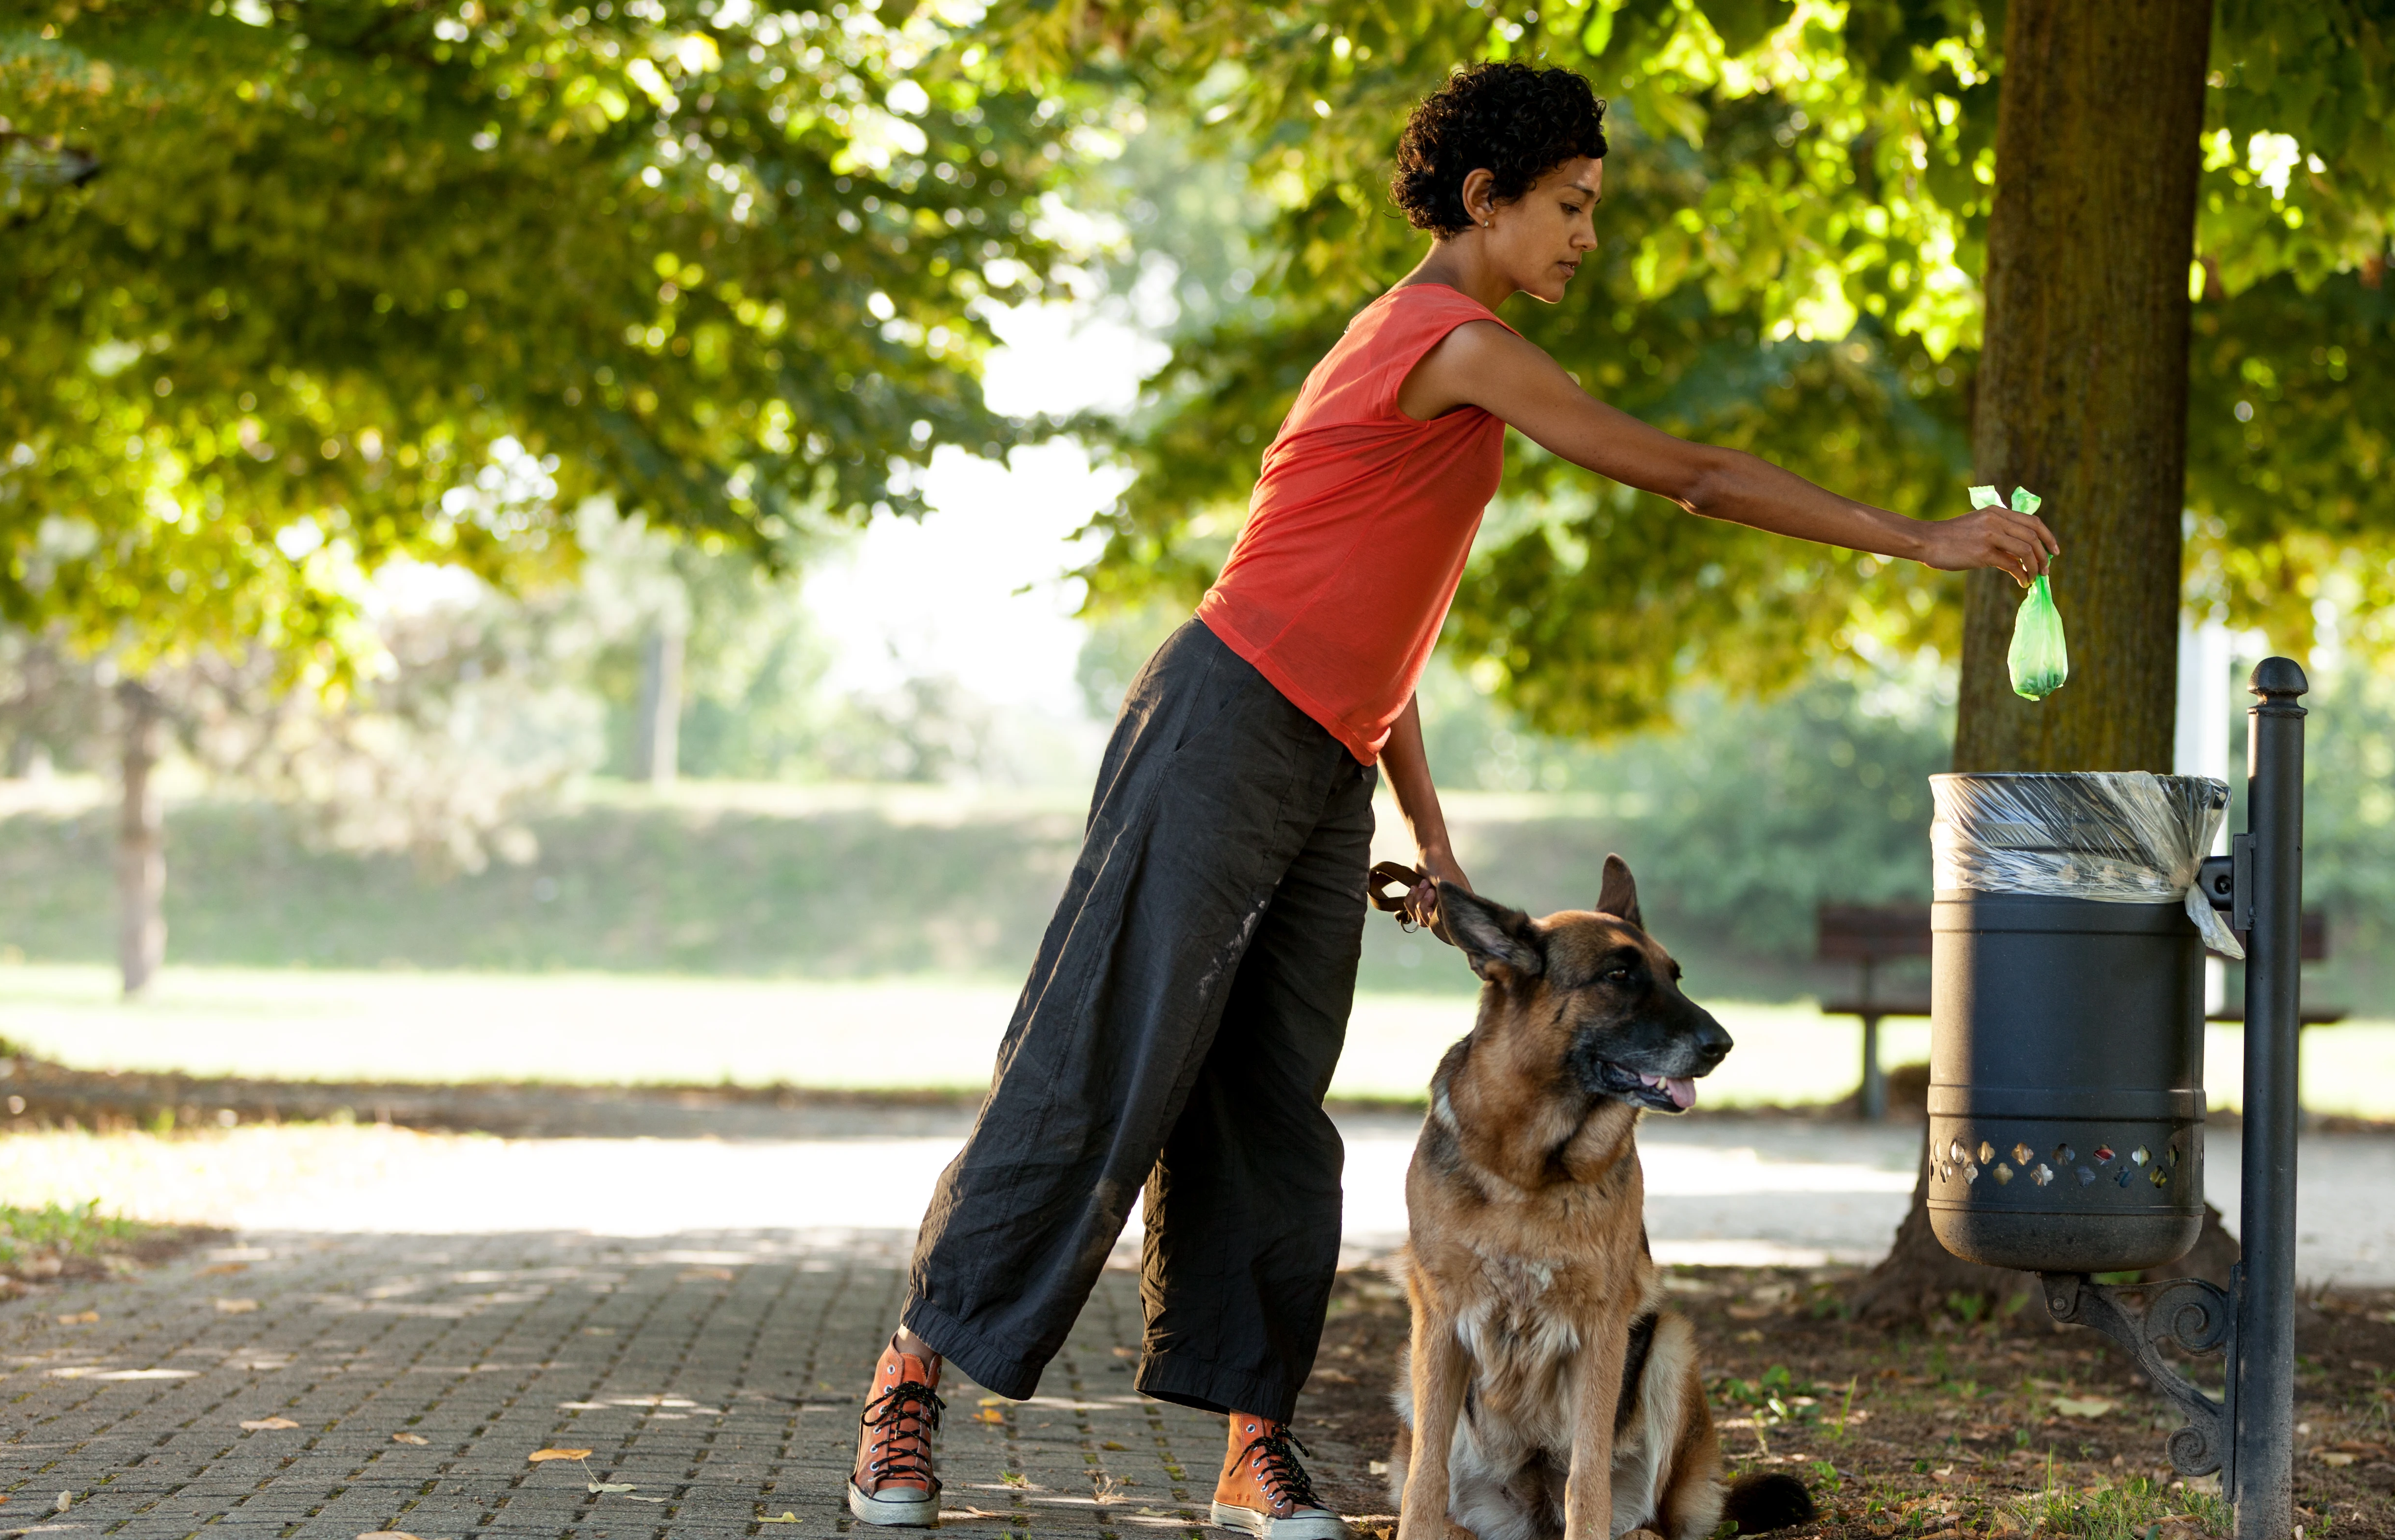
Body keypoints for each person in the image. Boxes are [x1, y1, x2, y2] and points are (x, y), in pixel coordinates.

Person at [848, 60, 2057, 1539]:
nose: (1586, 238)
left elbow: (1389, 633)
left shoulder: (1461, 380)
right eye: (1568, 206)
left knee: (1275, 1102)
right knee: (1101, 1056)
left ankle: (1250, 1439)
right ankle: (909, 1381)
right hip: (1220, 720)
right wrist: (1925, 539)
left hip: (1323, 760)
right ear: (1483, 202)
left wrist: (1425, 833)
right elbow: (1690, 472)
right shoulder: (1446, 340)